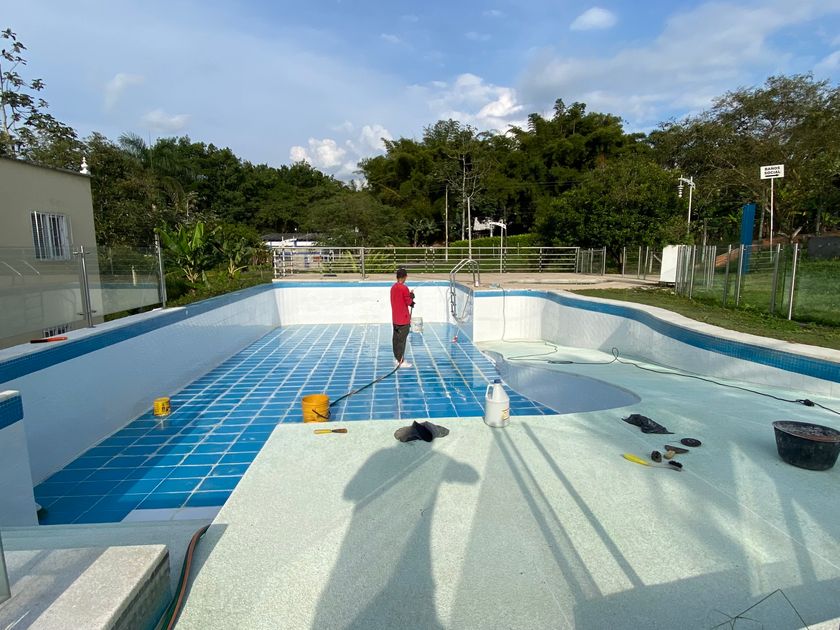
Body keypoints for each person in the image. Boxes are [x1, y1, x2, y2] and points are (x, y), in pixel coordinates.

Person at [390, 267, 415, 368]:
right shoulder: (404, 288)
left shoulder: (393, 287)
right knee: (402, 341)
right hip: (403, 320)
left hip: (395, 319)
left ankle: (397, 358)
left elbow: (400, 298)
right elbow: (409, 302)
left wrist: (409, 296)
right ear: (405, 277)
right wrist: (412, 298)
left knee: (395, 340)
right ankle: (401, 361)